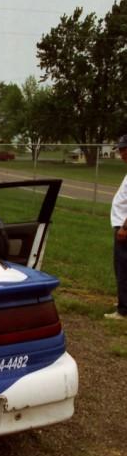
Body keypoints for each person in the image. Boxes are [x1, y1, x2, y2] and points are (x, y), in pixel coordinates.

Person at [104, 134, 127, 320]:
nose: (121, 153)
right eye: (120, 149)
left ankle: (123, 310)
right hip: (122, 224)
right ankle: (124, 300)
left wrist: (125, 228)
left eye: (124, 149)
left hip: (125, 227)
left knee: (123, 267)